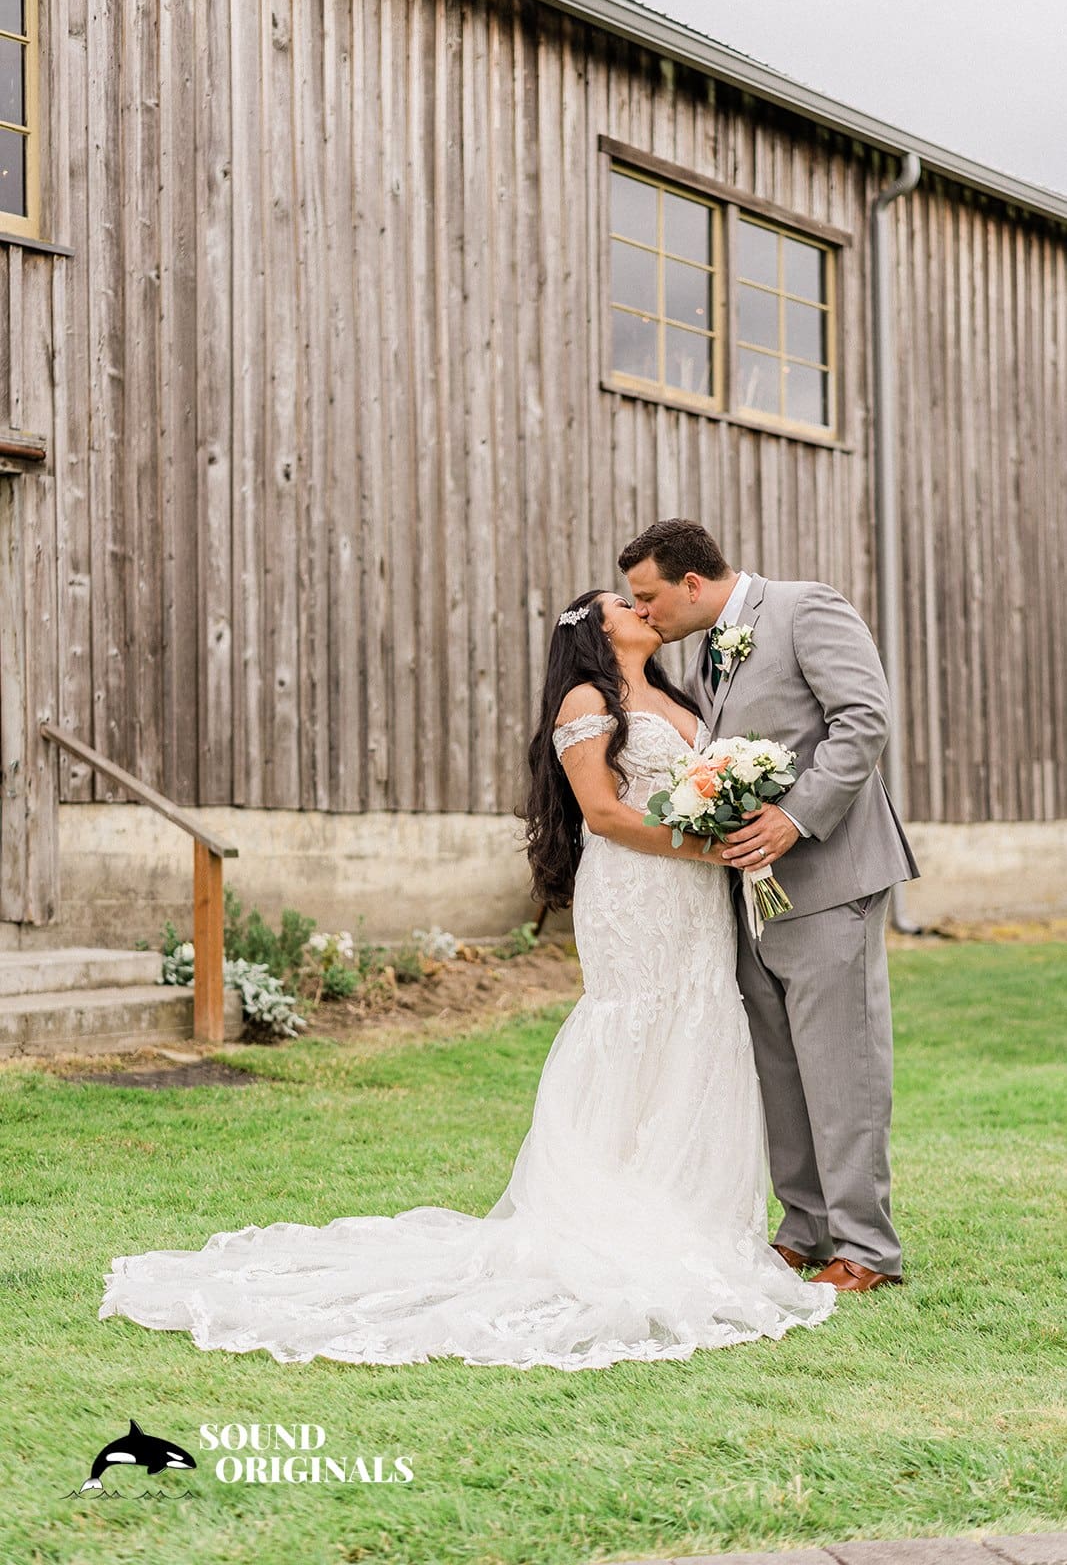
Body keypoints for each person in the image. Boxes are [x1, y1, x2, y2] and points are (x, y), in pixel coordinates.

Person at [97, 588, 836, 1369]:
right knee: (635, 1020)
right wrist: (704, 851)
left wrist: (725, 817)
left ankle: (687, 1204)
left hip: (696, 901)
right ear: (593, 629)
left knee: (698, 1018)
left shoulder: (676, 694)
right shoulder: (588, 698)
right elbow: (604, 815)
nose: (641, 608)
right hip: (638, 891)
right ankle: (608, 1205)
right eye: (623, 602)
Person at [619, 518, 920, 1292]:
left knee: (840, 1068)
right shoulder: (712, 650)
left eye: (647, 596)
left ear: (692, 583)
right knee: (779, 1068)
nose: (642, 612)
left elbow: (863, 720)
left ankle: (867, 1250)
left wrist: (794, 815)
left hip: (829, 876)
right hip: (753, 895)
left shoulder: (803, 608)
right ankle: (806, 1229)